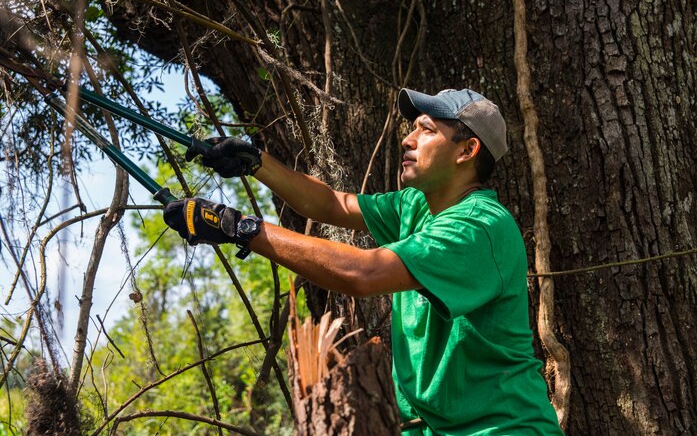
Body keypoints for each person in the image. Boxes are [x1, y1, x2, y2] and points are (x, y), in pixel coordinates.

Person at [163, 88, 564, 435]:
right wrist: (256, 162)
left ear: (467, 150)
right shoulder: (416, 206)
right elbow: (331, 203)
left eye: (426, 130)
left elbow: (363, 273)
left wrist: (243, 228)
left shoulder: (479, 226)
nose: (407, 139)